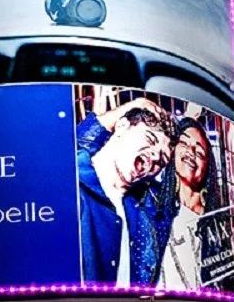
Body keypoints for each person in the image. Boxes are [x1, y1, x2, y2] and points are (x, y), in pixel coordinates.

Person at [76, 98, 176, 285]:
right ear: (122, 126)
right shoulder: (71, 182)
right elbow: (63, 149)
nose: (155, 156)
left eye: (162, 159)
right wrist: (133, 105)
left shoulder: (146, 213)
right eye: (150, 139)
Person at [155, 118, 224, 290]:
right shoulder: (152, 203)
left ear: (208, 167)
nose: (191, 151)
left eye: (200, 152)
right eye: (184, 143)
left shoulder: (217, 224)